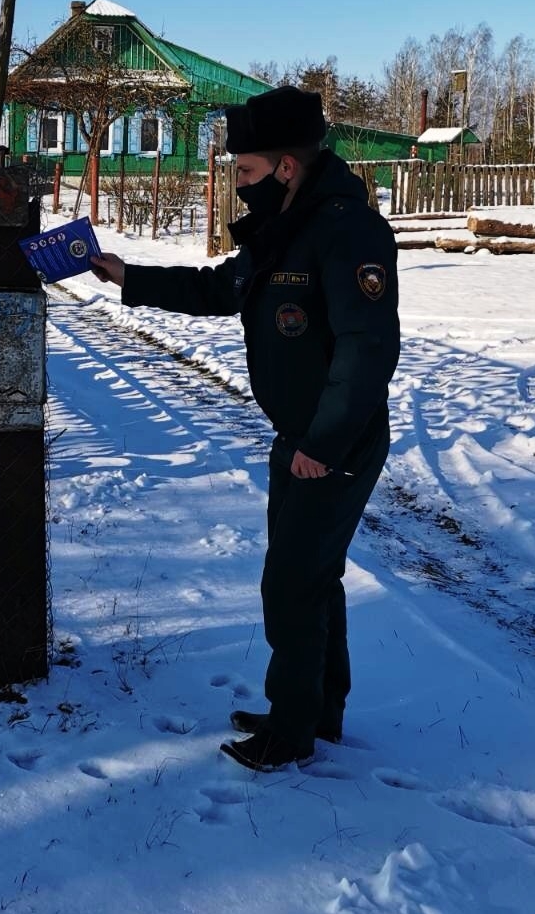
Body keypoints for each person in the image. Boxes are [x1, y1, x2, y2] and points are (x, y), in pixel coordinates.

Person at [88, 86, 400, 771]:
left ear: (287, 166)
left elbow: (367, 349)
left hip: (334, 440)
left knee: (291, 584)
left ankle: (291, 732)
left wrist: (322, 445)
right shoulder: (284, 228)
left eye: (247, 171)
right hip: (298, 434)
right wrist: (125, 276)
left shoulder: (346, 230)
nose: (239, 184)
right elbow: (219, 290)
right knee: (310, 579)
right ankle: (317, 710)